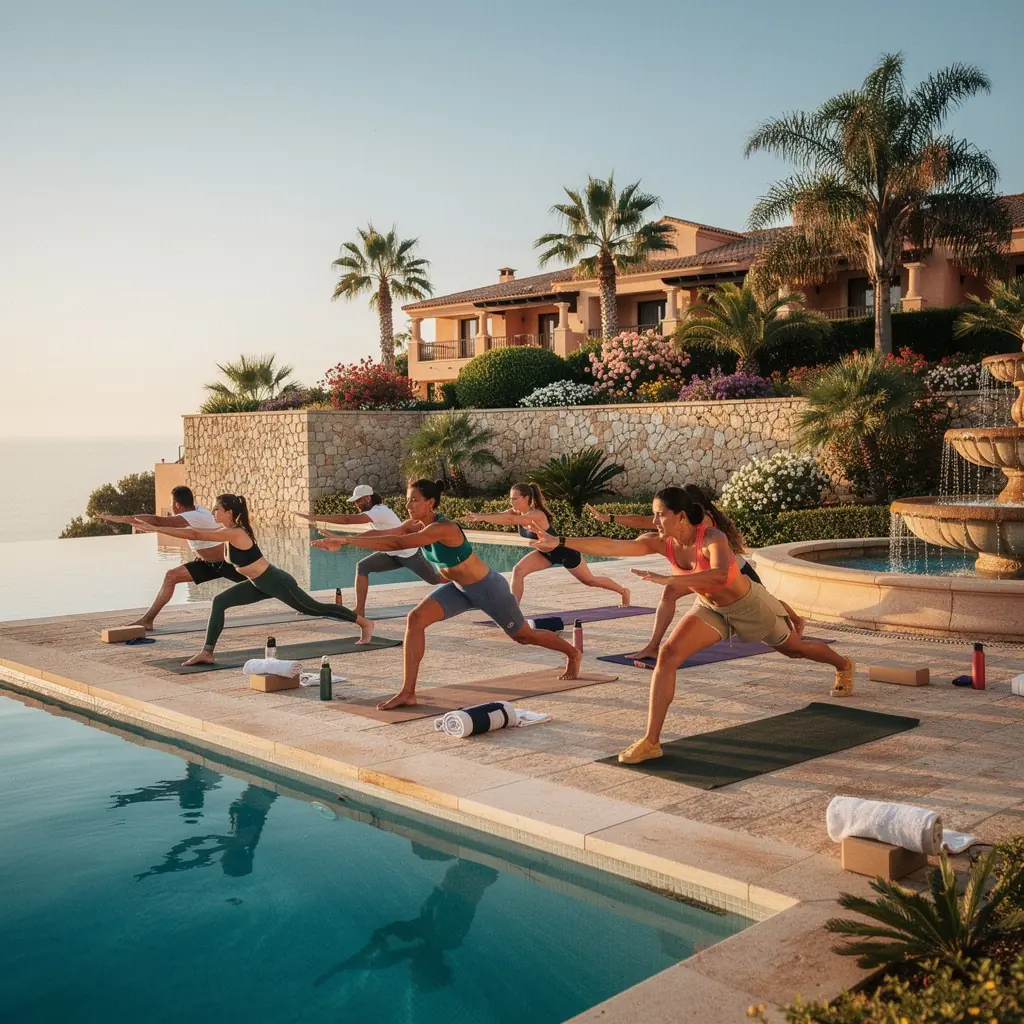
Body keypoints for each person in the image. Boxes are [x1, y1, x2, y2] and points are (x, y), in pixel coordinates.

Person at [532, 486, 855, 763]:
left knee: (794, 650)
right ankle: (651, 742)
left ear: (681, 517)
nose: (654, 521)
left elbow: (718, 574)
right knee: (669, 655)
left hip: (749, 606)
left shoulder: (712, 538)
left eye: (660, 515)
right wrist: (559, 541)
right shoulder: (660, 541)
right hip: (710, 608)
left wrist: (669, 578)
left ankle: (842, 664)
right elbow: (611, 545)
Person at [312, 479, 581, 711]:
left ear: (430, 503)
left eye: (414, 501)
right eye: (408, 501)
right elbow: (387, 534)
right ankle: (408, 691)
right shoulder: (414, 524)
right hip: (459, 590)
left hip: (488, 588)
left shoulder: (444, 528)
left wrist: (346, 541)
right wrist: (342, 537)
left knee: (523, 636)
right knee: (415, 619)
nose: (408, 507)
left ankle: (572, 654)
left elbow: (397, 543)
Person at [130, 493, 374, 666]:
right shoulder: (226, 531)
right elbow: (193, 533)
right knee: (220, 601)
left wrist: (155, 528)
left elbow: (193, 532)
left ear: (229, 513)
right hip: (260, 584)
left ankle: (364, 623)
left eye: (217, 508)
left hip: (276, 582)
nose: (213, 512)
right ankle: (207, 652)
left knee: (315, 608)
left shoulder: (235, 533)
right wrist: (156, 527)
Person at [584, 486, 805, 661]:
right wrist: (609, 518)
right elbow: (642, 521)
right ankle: (653, 646)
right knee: (669, 593)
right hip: (702, 572)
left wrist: (671, 576)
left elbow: (714, 562)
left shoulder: (703, 522)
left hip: (734, 570)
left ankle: (796, 619)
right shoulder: (680, 519)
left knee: (768, 601)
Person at [95, 485, 246, 630]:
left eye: (171, 503)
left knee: (263, 587)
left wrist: (124, 518)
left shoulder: (195, 516)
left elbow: (160, 521)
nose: (171, 506)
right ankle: (147, 620)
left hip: (230, 564)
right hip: (209, 565)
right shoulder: (196, 511)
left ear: (177, 504)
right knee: (171, 576)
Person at [458, 482, 630, 606]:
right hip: (545, 553)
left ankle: (623, 591)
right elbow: (501, 516)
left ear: (526, 498)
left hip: (564, 552)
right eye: (511, 499)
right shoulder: (516, 511)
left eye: (514, 499)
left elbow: (510, 519)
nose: (511, 502)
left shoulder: (537, 515)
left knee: (590, 581)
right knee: (518, 571)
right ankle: (512, 609)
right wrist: (478, 516)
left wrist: (481, 518)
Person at [298, 484, 441, 616]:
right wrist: (342, 539)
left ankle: (460, 581)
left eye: (358, 501)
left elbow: (348, 520)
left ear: (368, 498)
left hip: (409, 554)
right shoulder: (375, 513)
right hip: (391, 552)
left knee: (435, 579)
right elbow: (375, 535)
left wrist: (313, 517)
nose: (356, 505)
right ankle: (360, 610)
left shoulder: (379, 511)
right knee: (363, 566)